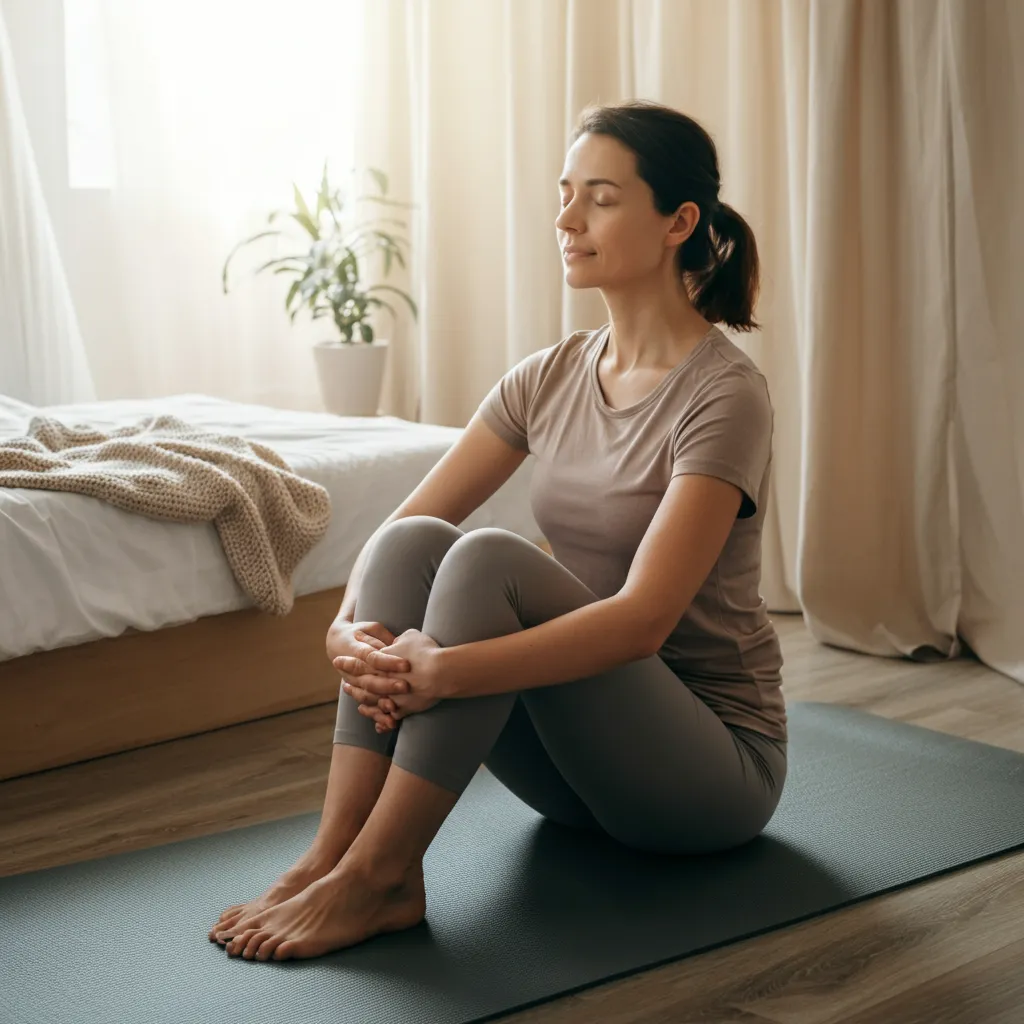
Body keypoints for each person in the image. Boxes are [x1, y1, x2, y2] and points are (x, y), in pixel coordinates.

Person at [209, 99, 787, 962]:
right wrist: (343, 627)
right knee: (412, 550)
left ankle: (382, 874)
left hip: (707, 772)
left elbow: (643, 622)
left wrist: (445, 671)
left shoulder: (723, 395)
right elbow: (405, 525)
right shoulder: (548, 374)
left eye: (599, 197)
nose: (566, 219)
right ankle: (337, 854)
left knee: (488, 561)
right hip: (579, 774)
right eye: (565, 194)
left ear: (680, 221)